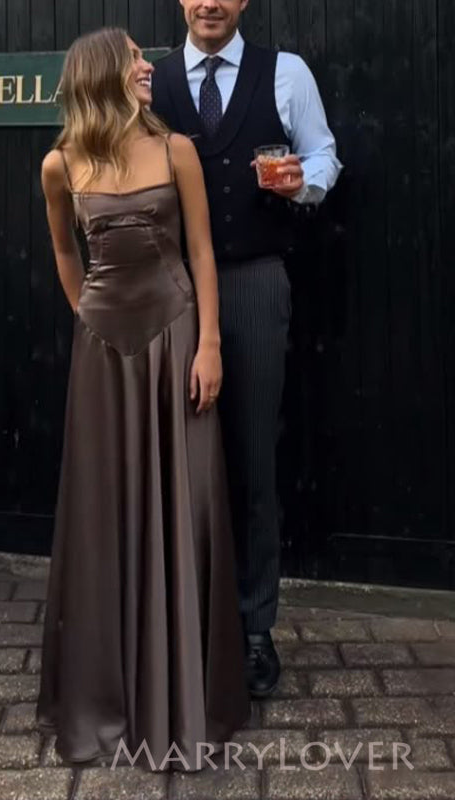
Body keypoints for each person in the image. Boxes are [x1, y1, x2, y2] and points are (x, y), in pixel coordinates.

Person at [36, 27, 250, 772]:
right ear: (103, 74)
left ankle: (185, 689)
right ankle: (108, 693)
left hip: (175, 337)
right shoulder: (60, 164)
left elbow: (201, 252)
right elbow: (65, 251)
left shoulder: (176, 150)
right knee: (105, 506)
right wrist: (88, 313)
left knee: (188, 504)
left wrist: (209, 343)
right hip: (106, 352)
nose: (145, 65)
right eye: (133, 58)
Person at [151, 0, 342, 698]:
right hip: (169, 289)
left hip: (257, 282)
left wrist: (304, 184)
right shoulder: (151, 82)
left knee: (253, 460)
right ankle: (179, 622)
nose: (210, 2)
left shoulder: (286, 72)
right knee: (174, 462)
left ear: (243, 2)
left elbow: (324, 154)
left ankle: (254, 628)